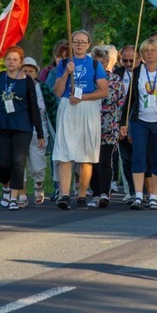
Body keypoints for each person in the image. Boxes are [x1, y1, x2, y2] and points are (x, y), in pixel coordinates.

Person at [0, 46, 45, 210]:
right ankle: (5, 188)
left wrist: (39, 132)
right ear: (4, 61)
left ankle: (14, 197)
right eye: (8, 59)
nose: (11, 62)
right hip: (1, 126)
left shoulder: (27, 80)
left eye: (15, 59)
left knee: (18, 162)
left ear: (20, 62)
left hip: (22, 127)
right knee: (3, 163)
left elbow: (34, 107)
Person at [119, 38, 157, 210]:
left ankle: (153, 196)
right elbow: (129, 99)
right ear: (142, 54)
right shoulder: (138, 72)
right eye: (146, 51)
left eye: (153, 50)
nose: (149, 53)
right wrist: (124, 122)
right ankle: (139, 195)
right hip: (140, 121)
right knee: (139, 156)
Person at [52, 30, 108, 210]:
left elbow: (103, 91)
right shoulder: (64, 63)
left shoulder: (94, 64)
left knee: (86, 155)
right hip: (68, 106)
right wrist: (66, 74)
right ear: (71, 43)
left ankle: (82, 195)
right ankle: (65, 194)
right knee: (65, 153)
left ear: (88, 45)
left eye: (83, 42)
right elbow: (58, 91)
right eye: (76, 42)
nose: (79, 45)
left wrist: (83, 97)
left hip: (87, 107)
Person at [89, 45, 125, 208]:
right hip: (89, 124)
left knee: (105, 160)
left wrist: (120, 125)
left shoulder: (115, 80)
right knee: (92, 161)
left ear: (106, 63)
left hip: (109, 125)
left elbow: (121, 104)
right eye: (96, 63)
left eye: (102, 63)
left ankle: (104, 192)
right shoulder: (87, 79)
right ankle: (95, 191)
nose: (99, 66)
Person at [20, 57, 58, 206]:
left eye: (31, 71)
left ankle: (38, 184)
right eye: (25, 71)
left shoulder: (43, 89)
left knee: (37, 167)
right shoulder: (15, 87)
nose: (28, 73)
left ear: (36, 73)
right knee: (19, 163)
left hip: (40, 131)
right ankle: (21, 196)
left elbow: (52, 109)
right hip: (20, 131)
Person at [114, 45, 136, 201]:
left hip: (139, 119)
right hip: (121, 119)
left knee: (139, 157)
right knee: (126, 158)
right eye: (124, 60)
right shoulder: (117, 74)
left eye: (131, 60)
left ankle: (141, 189)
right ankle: (131, 190)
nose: (128, 64)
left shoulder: (144, 73)